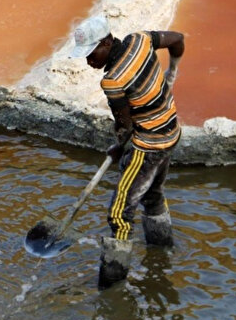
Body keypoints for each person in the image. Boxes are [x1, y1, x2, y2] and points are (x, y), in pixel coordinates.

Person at [69, 15, 185, 288]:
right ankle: (162, 251)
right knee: (153, 196)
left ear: (107, 42)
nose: (88, 61)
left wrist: (119, 145)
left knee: (120, 214)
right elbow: (178, 39)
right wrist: (173, 72)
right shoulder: (141, 40)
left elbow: (125, 127)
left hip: (148, 146)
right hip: (171, 133)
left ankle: (112, 284)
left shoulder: (113, 81)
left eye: (91, 53)